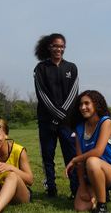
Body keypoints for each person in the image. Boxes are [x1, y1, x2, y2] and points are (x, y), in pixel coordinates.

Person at [33, 33, 80, 199]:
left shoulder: (71, 67)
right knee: (48, 155)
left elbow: (74, 93)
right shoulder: (40, 68)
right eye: (55, 46)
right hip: (47, 122)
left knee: (72, 155)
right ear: (49, 47)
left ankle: (75, 190)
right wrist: (57, 115)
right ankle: (51, 188)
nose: (58, 49)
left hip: (67, 122)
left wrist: (61, 116)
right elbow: (42, 95)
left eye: (62, 46)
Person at [64, 90, 111, 213]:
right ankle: (98, 193)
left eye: (87, 103)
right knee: (80, 208)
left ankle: (102, 207)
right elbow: (81, 161)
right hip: (91, 174)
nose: (83, 107)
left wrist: (74, 160)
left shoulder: (105, 121)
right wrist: (83, 189)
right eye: (80, 104)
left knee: (92, 161)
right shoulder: (79, 127)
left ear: (96, 105)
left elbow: (98, 152)